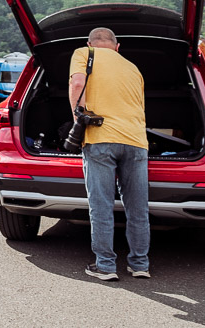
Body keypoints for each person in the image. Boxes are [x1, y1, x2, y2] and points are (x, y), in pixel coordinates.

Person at [69, 27, 150, 281]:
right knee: (137, 208)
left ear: (90, 43)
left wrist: (77, 118)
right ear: (117, 47)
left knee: (101, 205)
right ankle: (140, 265)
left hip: (101, 138)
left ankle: (105, 266)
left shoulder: (84, 52)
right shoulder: (134, 68)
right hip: (136, 141)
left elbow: (78, 82)